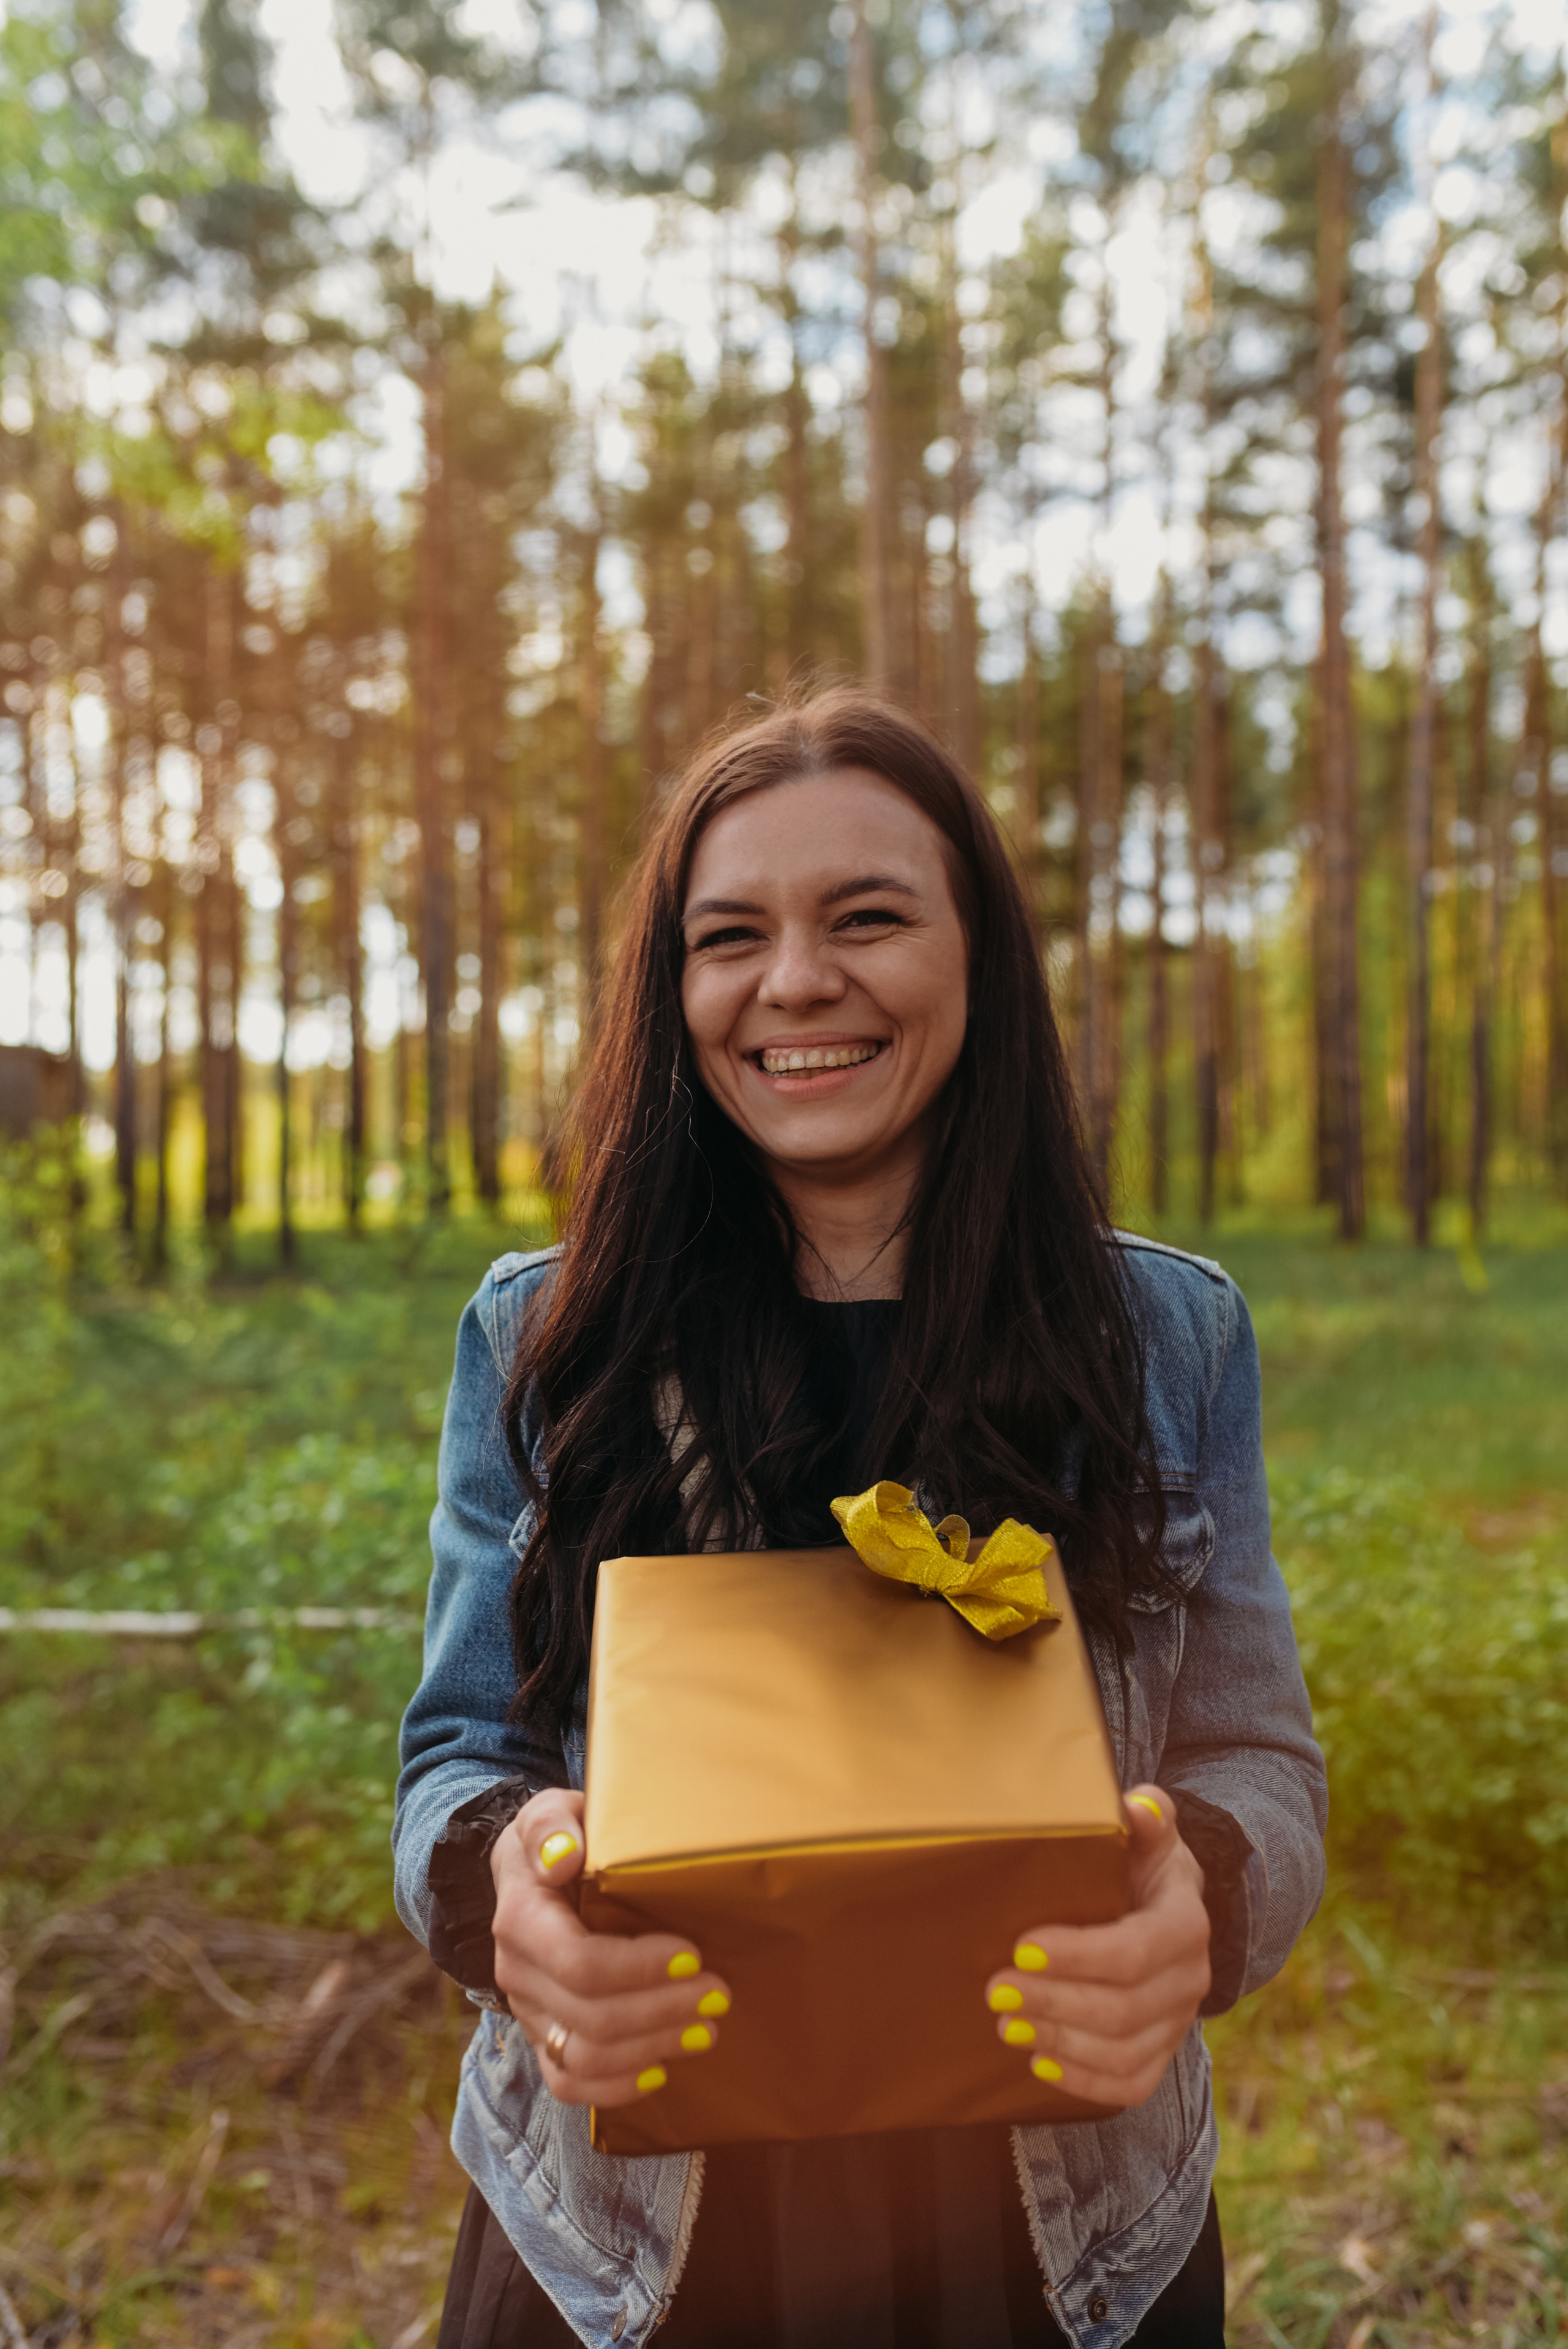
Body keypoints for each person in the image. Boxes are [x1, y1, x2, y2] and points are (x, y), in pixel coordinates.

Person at [394, 689, 1327, 2349]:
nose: (795, 980)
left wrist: (1202, 1885)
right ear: (676, 990)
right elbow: (462, 1753)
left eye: (869, 917)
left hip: (1057, 2247)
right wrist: (513, 1908)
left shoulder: (1166, 1339)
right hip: (629, 2250)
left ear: (978, 956)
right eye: (729, 933)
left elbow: (1259, 1752)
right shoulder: (548, 1339)